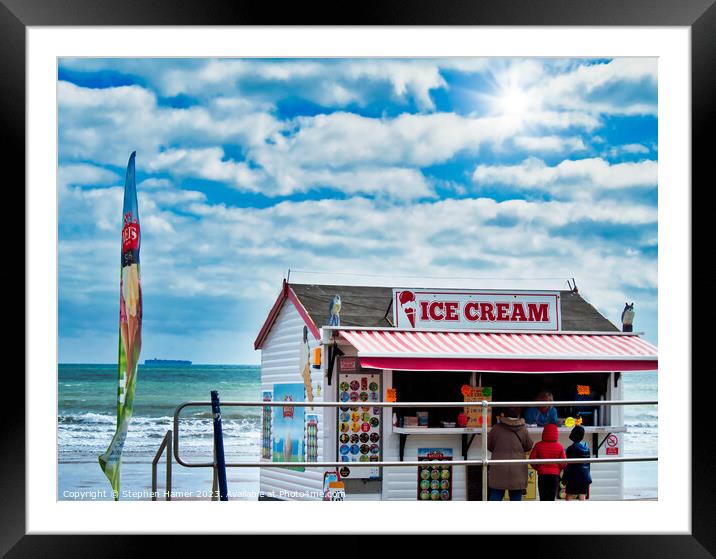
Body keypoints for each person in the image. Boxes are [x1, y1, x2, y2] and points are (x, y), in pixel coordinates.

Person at [487, 407, 534, 501]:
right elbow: (529, 446)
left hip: (498, 468)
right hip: (518, 470)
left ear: (504, 414)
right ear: (519, 415)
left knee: (496, 496)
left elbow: (489, 445)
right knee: (516, 497)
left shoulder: (496, 428)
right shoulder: (523, 429)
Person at [529, 423, 566, 501]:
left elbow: (531, 460)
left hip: (542, 476)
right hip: (554, 476)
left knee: (543, 498)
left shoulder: (538, 445)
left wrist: (539, 468)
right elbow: (564, 463)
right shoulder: (559, 446)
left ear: (544, 433)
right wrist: (557, 469)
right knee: (551, 498)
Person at [563, 425, 592, 500]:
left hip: (573, 477)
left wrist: (564, 478)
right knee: (582, 496)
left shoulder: (571, 449)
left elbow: (567, 465)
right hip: (584, 477)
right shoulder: (586, 448)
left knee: (569, 495)